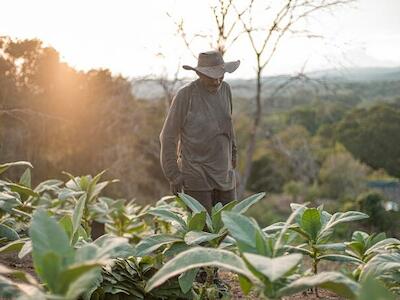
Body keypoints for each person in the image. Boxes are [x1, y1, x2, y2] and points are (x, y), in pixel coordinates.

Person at [159, 50, 240, 212]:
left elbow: (227, 125)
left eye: (221, 76)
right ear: (200, 74)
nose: (217, 81)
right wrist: (173, 174)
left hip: (224, 175)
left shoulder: (226, 90)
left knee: (228, 231)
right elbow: (168, 136)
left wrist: (233, 152)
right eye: (212, 77)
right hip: (196, 176)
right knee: (203, 234)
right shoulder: (186, 95)